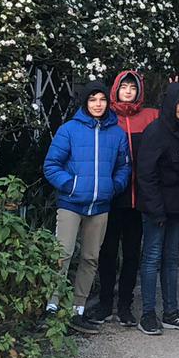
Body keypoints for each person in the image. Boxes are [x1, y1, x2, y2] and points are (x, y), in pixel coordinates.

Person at [42, 82, 132, 334]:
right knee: (62, 255)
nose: (98, 104)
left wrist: (112, 187)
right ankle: (51, 307)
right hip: (70, 203)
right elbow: (51, 165)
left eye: (102, 99)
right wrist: (70, 185)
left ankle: (77, 310)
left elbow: (124, 166)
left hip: (100, 206)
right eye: (93, 99)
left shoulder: (117, 133)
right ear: (85, 103)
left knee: (91, 258)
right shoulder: (69, 130)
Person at [89, 70, 156, 328]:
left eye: (133, 87)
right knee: (107, 253)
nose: (128, 91)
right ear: (115, 89)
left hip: (138, 199)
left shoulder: (150, 117)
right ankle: (105, 303)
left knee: (131, 254)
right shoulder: (105, 117)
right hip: (110, 197)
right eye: (124, 87)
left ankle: (125, 305)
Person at [133, 82, 179, 336]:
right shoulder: (155, 132)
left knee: (172, 260)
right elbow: (146, 174)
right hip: (156, 208)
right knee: (152, 259)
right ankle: (148, 314)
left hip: (176, 208)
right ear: (171, 102)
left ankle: (171, 312)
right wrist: (156, 209)